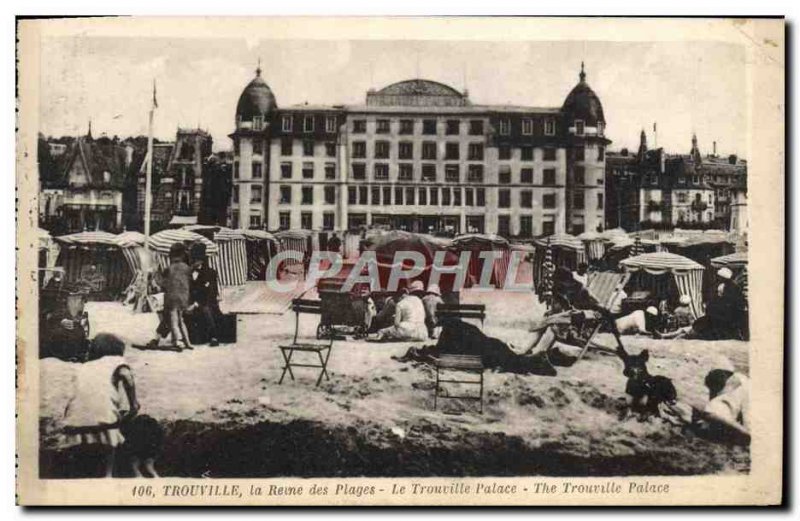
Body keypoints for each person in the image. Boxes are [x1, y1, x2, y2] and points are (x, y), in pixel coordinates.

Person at [61, 333, 139, 477]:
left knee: (81, 465)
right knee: (110, 434)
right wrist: (134, 404)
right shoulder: (116, 360)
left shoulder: (84, 367)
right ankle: (107, 475)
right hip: (104, 423)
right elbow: (126, 375)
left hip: (73, 423)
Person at [659, 268, 747, 340]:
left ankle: (668, 336)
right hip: (719, 317)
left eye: (719, 277)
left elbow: (725, 306)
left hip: (721, 320)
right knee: (697, 325)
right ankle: (666, 336)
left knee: (698, 326)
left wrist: (711, 309)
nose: (717, 278)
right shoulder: (731, 288)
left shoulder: (727, 289)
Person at [152, 242, 193, 350]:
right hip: (184, 298)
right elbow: (190, 282)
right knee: (180, 320)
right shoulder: (187, 268)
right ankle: (187, 342)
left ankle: (177, 341)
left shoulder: (169, 268)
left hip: (171, 298)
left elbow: (162, 284)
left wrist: (156, 273)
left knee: (173, 320)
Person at [186, 243, 222, 346]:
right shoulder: (188, 272)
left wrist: (195, 304)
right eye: (192, 260)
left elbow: (209, 294)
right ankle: (158, 337)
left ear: (201, 260)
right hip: (192, 302)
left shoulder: (210, 273)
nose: (193, 262)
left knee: (206, 309)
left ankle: (213, 336)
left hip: (207, 302)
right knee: (172, 309)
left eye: (195, 260)